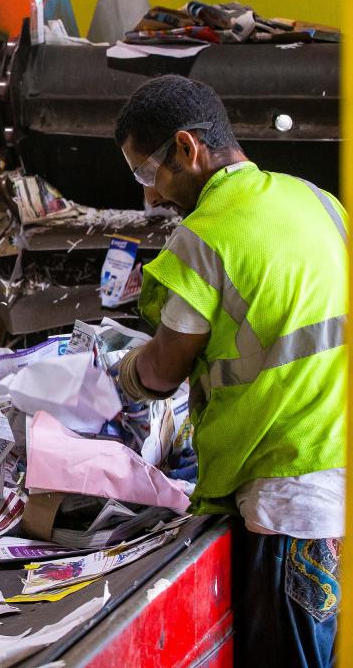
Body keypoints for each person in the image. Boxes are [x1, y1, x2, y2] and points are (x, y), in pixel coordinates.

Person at [113, 75, 344, 668]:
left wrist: (121, 375)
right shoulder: (318, 201)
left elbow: (163, 370)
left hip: (283, 495)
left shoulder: (206, 237)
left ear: (188, 149)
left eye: (148, 174)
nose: (152, 195)